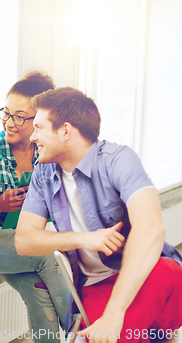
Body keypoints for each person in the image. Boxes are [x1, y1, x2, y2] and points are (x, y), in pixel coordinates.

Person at [14, 87, 182, 343]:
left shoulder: (119, 160)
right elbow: (23, 241)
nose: (32, 137)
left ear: (66, 131)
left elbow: (152, 228)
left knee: (166, 272)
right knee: (111, 335)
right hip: (96, 287)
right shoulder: (43, 174)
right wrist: (83, 238)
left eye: (39, 128)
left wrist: (115, 313)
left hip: (149, 275)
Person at [0, 71, 70, 343]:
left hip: (20, 243)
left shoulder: (45, 155)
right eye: (6, 113)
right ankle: (83, 327)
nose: (9, 122)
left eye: (20, 116)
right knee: (44, 254)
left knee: (39, 291)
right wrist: (0, 204)